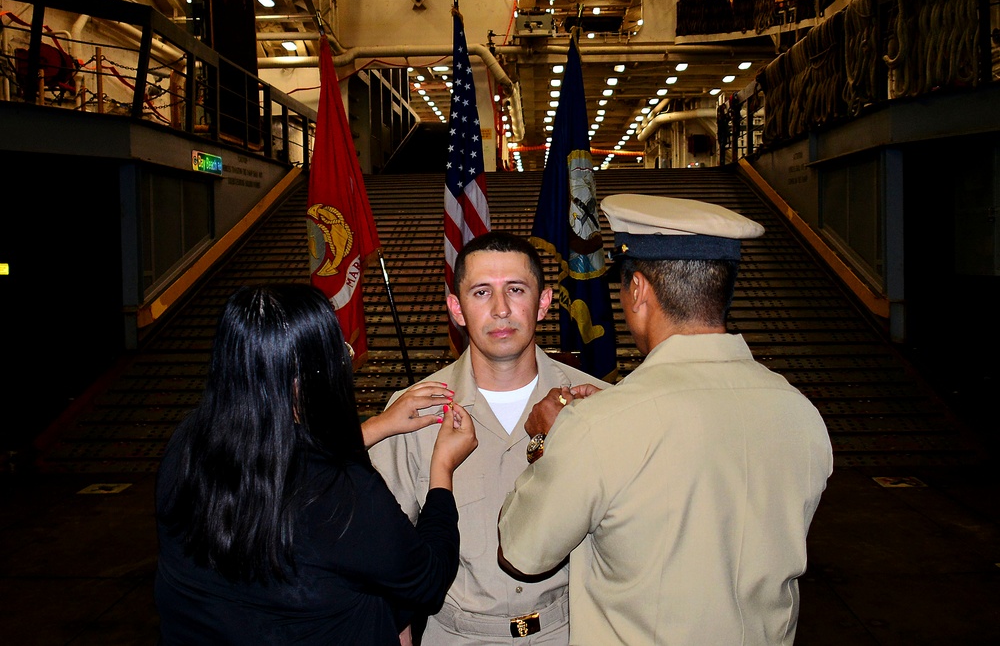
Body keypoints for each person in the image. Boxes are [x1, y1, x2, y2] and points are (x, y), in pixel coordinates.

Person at [498, 194, 834, 645]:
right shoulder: (800, 413)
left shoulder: (600, 427)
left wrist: (545, 443)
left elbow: (522, 554)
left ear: (638, 290)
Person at [155, 283, 478, 645]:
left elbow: (278, 455)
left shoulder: (188, 444)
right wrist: (442, 470)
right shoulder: (342, 493)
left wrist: (373, 429)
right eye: (338, 354)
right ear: (305, 379)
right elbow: (427, 580)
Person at [369, 232, 611, 644]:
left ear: (544, 303)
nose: (501, 310)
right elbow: (386, 554)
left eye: (516, 290)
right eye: (482, 292)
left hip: (569, 632)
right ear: (456, 309)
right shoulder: (414, 412)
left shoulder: (598, 404)